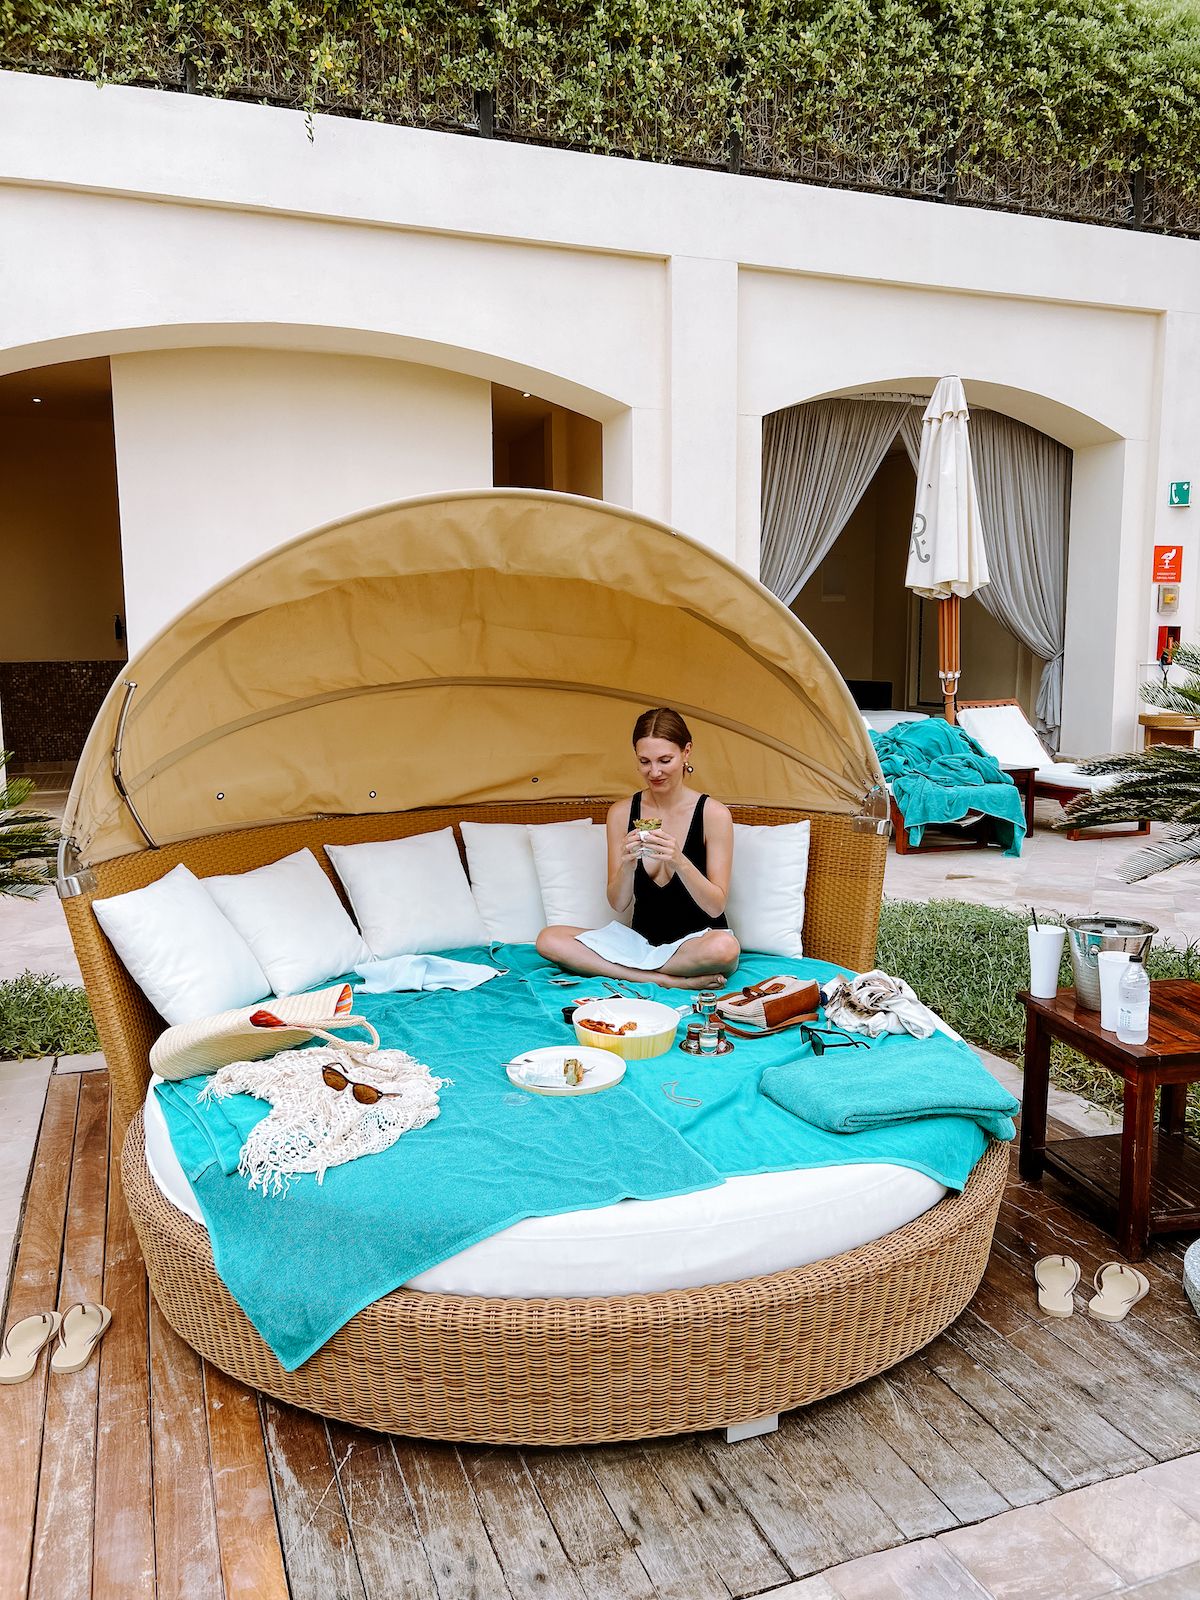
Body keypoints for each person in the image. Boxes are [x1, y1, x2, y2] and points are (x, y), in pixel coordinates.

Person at [535, 707, 740, 990]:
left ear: (686, 752)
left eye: (665, 760)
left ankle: (629, 971)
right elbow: (618, 902)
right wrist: (628, 864)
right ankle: (659, 979)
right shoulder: (621, 813)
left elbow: (716, 906)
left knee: (725, 948)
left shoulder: (713, 814)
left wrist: (679, 860)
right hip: (641, 944)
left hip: (697, 945)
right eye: (644, 761)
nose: (654, 772)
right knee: (549, 939)